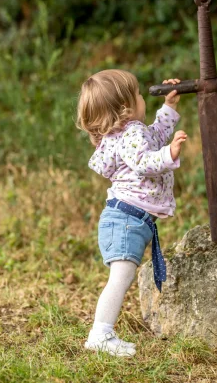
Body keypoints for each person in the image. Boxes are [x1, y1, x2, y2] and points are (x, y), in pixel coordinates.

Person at [76, 69, 187, 357]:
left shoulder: (127, 132)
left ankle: (102, 333)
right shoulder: (130, 135)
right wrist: (169, 154)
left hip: (125, 218)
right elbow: (144, 161)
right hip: (126, 221)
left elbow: (154, 135)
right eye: (137, 94)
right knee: (120, 277)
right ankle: (100, 334)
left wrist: (169, 107)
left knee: (121, 276)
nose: (141, 97)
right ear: (125, 107)